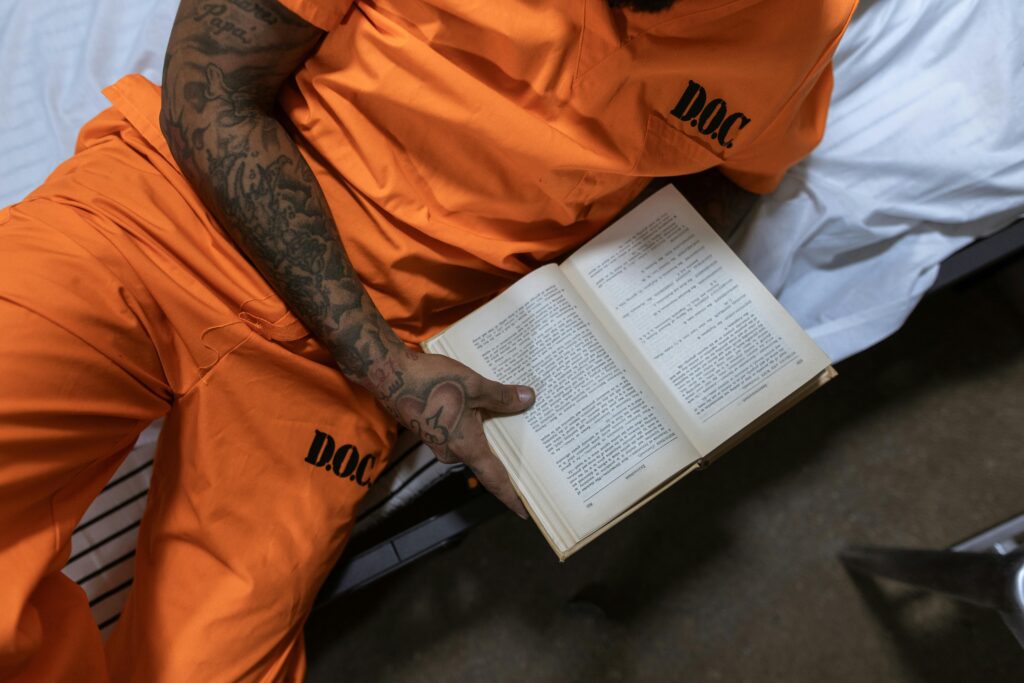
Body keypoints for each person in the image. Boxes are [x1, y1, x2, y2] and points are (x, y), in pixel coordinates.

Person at [0, 0, 856, 680]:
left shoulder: (799, 25)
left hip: (366, 365)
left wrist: (618, 334)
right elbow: (207, 93)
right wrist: (380, 362)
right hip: (163, 219)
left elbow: (729, 179)